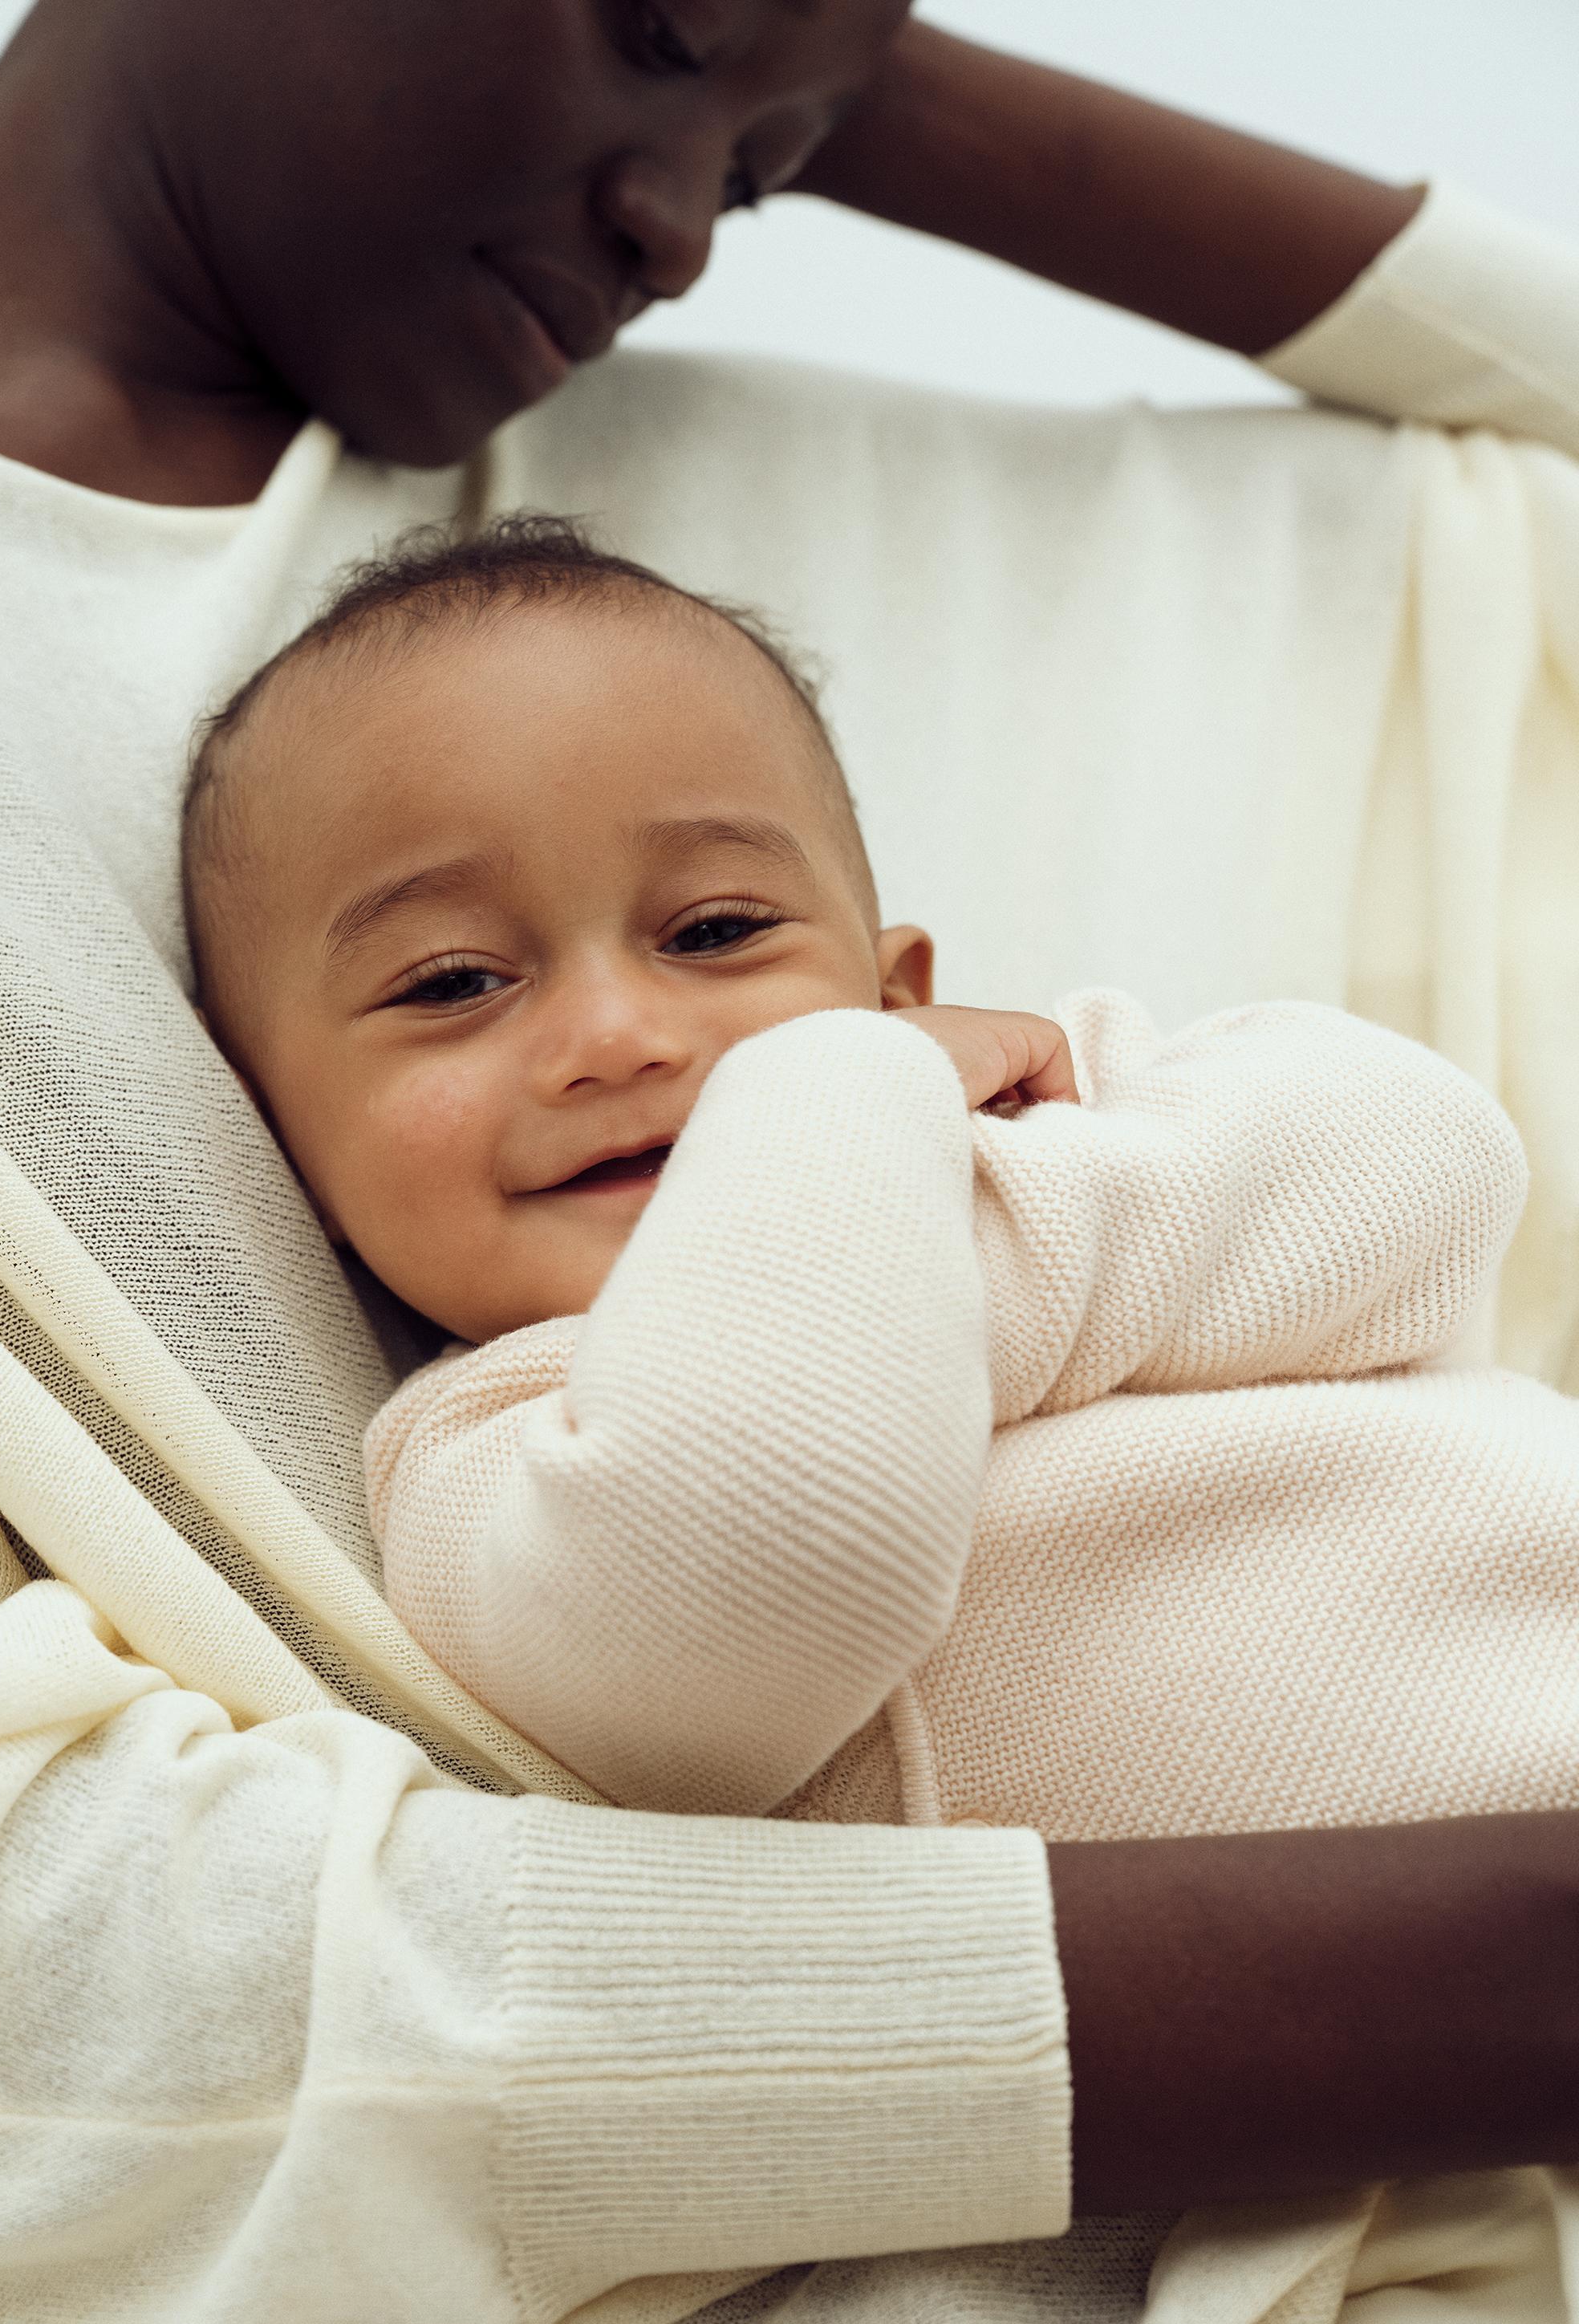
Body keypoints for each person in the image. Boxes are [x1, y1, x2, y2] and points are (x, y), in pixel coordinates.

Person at [0, 5, 1579, 2324]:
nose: (685, 224)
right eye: (656, 50)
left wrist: (836, 75)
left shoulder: (589, 505)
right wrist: (1492, 1979)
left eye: (767, 151)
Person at [188, 514, 1577, 1855]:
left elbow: (1431, 1168)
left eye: (717, 929)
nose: (617, 1037)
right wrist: (837, 1096)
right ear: (273, 1135)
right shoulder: (486, 1460)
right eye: (453, 983)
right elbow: (773, 1557)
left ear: (897, 986)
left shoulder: (1039, 1105)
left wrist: (935, 1173)